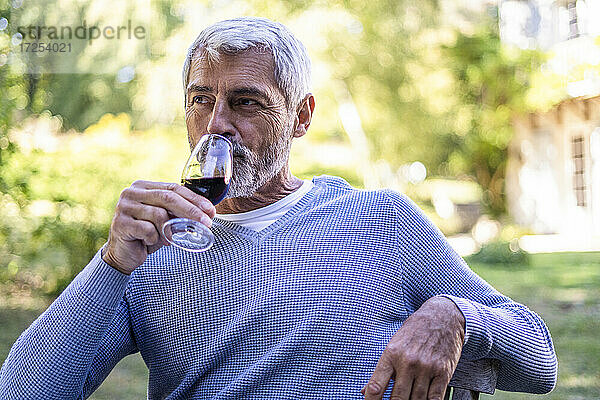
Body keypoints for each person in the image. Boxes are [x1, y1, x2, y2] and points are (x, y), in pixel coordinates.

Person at [0, 17, 557, 400]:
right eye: (201, 100)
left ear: (301, 117)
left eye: (246, 102)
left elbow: (540, 362)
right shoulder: (147, 246)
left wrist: (459, 317)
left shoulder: (381, 222)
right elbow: (23, 389)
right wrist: (111, 265)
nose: (215, 124)